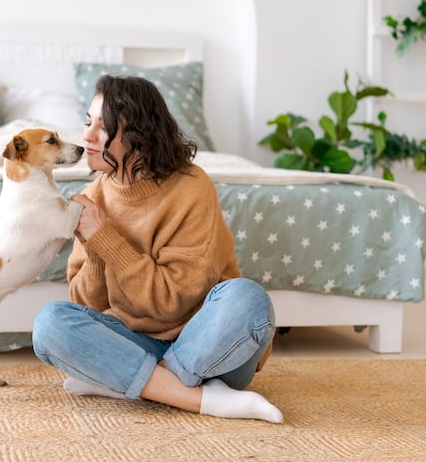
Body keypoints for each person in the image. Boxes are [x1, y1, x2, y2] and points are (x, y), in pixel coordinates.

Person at [31, 74, 283, 423]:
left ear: (139, 136)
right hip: (136, 341)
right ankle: (205, 399)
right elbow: (88, 305)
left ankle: (130, 381)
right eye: (87, 122)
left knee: (248, 299)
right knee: (50, 324)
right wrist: (93, 249)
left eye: (102, 127)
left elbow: (173, 302)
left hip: (212, 344)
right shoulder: (93, 197)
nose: (86, 136)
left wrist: (106, 238)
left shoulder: (192, 187)